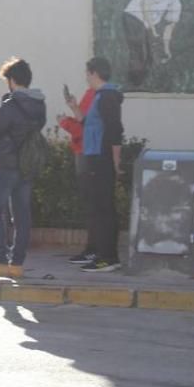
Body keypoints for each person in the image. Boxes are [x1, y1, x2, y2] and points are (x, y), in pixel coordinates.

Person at [0, 58, 47, 278]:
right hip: (27, 165)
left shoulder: (11, 104)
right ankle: (17, 264)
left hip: (6, 165)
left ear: (12, 80)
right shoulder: (39, 104)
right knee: (22, 216)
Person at [77, 57, 124, 273]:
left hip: (102, 158)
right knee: (97, 207)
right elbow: (91, 124)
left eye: (87, 73)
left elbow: (115, 130)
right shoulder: (100, 97)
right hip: (95, 156)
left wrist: (115, 161)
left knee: (104, 208)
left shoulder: (107, 97)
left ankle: (109, 257)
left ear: (94, 73)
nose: (86, 77)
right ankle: (100, 252)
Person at [122, 0, 194, 86]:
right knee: (138, 51)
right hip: (133, 16)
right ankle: (134, 82)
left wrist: (166, 49)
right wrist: (152, 28)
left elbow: (169, 27)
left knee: (151, 55)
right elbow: (144, 4)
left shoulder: (177, 5)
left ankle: (144, 82)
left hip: (145, 24)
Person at [58, 84, 97, 264]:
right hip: (87, 151)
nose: (87, 78)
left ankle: (93, 249)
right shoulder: (96, 94)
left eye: (88, 73)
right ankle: (93, 248)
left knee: (92, 204)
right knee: (92, 204)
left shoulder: (95, 94)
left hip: (86, 152)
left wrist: (65, 122)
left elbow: (84, 128)